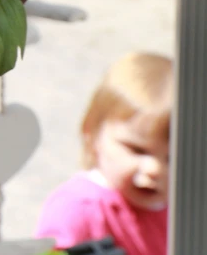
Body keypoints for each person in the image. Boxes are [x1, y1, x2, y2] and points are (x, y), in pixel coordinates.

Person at [36, 51, 171, 255]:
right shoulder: (77, 209)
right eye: (137, 150)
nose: (155, 169)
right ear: (92, 134)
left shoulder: (183, 209)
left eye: (172, 158)